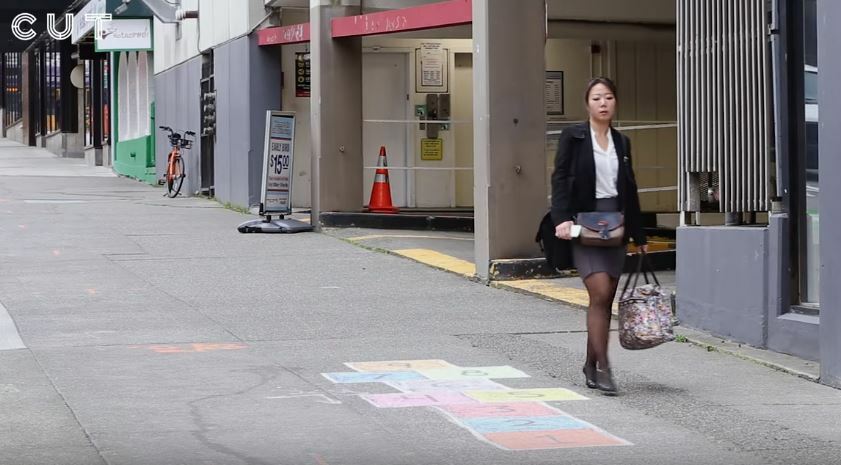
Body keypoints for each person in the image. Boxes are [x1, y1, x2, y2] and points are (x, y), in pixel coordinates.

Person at [551, 77, 648, 395]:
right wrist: (562, 219)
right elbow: (560, 178)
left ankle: (590, 364)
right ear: (587, 104)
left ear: (615, 102)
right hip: (585, 224)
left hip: (616, 225)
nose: (603, 103)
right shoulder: (574, 136)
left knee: (605, 300)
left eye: (608, 97)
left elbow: (630, 187)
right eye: (596, 98)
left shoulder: (622, 142)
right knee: (600, 291)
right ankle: (605, 367)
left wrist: (639, 234)